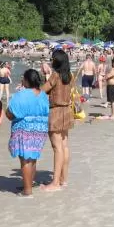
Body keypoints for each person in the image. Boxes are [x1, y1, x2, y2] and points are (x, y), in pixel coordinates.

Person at [7, 69, 50, 197]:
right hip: (40, 129)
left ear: (26, 80)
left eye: (23, 78)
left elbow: (10, 113)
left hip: (24, 128)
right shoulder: (42, 94)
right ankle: (29, 184)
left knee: (25, 160)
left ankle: (27, 191)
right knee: (33, 157)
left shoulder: (21, 94)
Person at [42, 49, 73, 191]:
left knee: (57, 148)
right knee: (64, 146)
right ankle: (64, 179)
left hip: (55, 111)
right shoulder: (69, 75)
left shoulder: (55, 75)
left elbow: (43, 90)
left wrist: (44, 76)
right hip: (67, 110)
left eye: (52, 58)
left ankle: (55, 182)